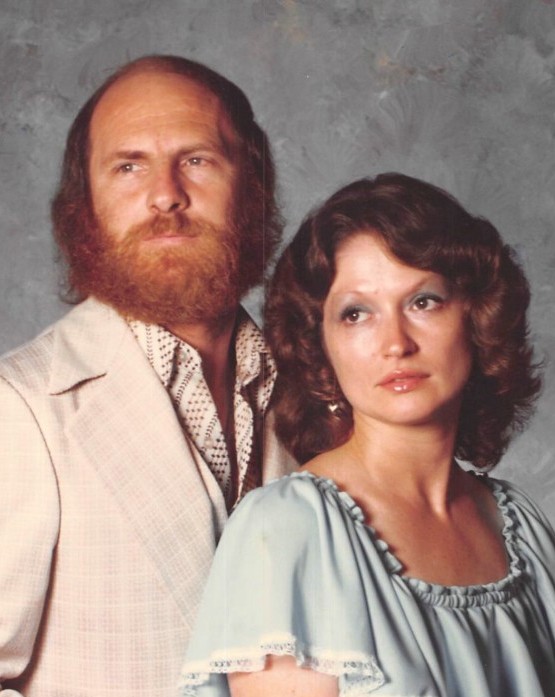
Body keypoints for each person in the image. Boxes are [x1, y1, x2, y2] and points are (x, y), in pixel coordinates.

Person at [179, 173, 555, 696]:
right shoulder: (290, 529)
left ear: (476, 317)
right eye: (356, 314)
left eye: (423, 301)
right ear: (320, 347)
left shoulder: (523, 528)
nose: (395, 343)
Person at [0, 55, 295, 696]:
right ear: (84, 207)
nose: (165, 194)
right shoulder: (18, 409)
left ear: (254, 188)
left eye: (197, 160)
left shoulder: (314, 387)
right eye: (128, 166)